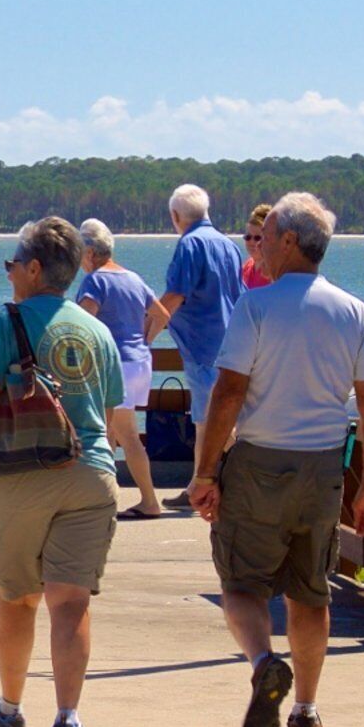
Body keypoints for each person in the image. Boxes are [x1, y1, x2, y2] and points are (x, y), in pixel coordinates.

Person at [188, 192, 364, 727]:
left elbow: (229, 393)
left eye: (265, 235)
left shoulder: (256, 307)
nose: (257, 245)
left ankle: (262, 663)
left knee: (240, 583)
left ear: (290, 243)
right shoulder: (352, 311)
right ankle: (305, 712)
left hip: (259, 462)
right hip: (325, 466)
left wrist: (205, 473)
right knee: (310, 593)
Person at [0, 216, 127, 727]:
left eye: (12, 264)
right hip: (91, 473)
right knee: (71, 603)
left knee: (19, 598)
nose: (9, 274)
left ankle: (11, 710)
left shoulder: (6, 320)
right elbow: (111, 415)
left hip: (21, 478)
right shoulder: (97, 331)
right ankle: (68, 721)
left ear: (35, 268)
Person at [143, 184, 248, 513]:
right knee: (205, 422)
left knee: (217, 423)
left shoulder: (190, 245)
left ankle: (249, 477)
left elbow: (174, 297)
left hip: (204, 347)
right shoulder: (227, 245)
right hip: (232, 342)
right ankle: (195, 487)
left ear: (176, 216)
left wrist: (143, 338)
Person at [69, 221, 166, 519]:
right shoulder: (133, 278)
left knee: (126, 433)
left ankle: (149, 501)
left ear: (90, 252)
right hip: (139, 363)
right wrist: (144, 341)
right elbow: (161, 314)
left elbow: (84, 320)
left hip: (115, 365)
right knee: (109, 431)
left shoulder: (95, 281)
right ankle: (104, 497)